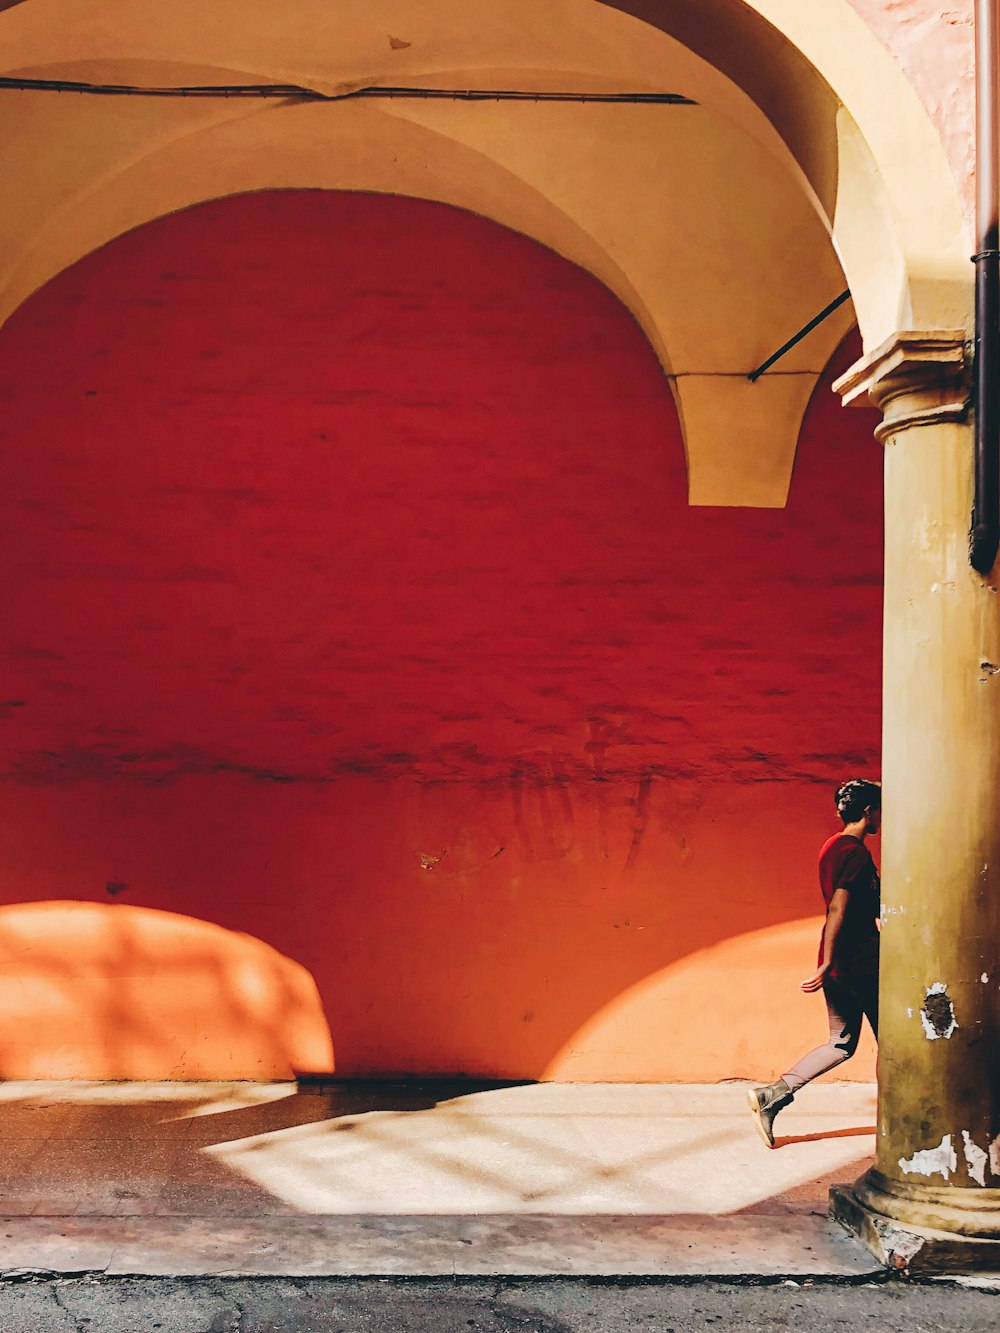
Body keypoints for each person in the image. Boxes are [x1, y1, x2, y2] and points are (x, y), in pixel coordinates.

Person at [747, 778, 881, 1148]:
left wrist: (827, 959)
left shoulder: (831, 847)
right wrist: (831, 961)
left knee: (840, 1043)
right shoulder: (855, 852)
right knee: (895, 1045)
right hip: (860, 961)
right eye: (880, 810)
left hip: (839, 960)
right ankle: (896, 1122)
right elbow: (838, 905)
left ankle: (772, 1095)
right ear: (869, 812)